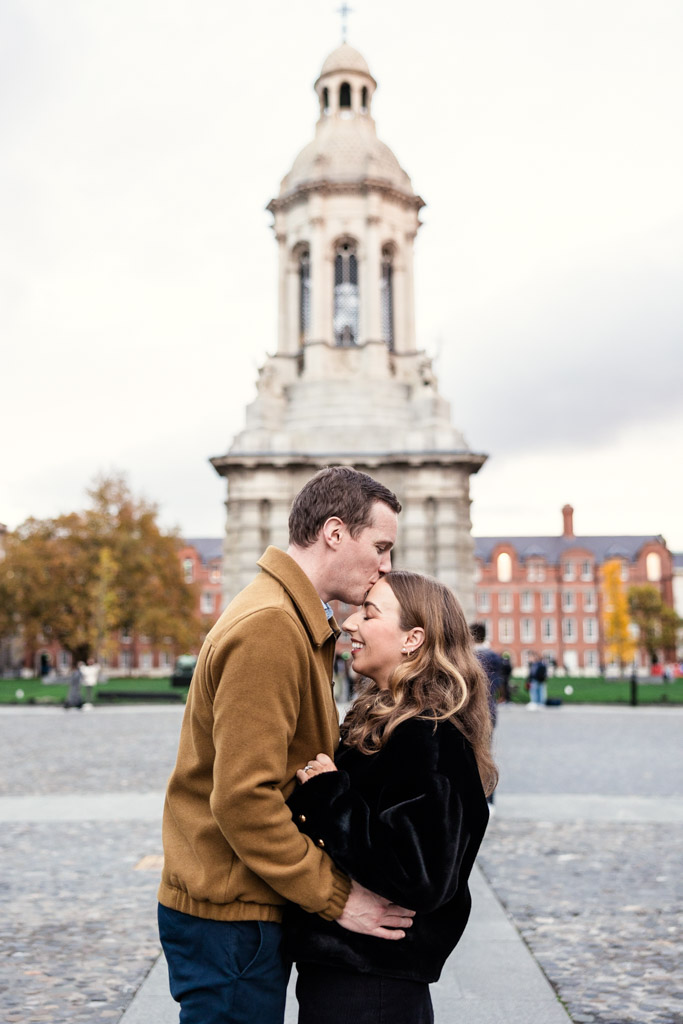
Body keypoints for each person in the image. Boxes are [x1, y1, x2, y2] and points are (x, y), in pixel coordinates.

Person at [157, 467, 414, 1024]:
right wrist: (336, 896)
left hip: (243, 902)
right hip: (232, 915)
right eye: (381, 546)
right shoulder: (272, 626)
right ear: (335, 532)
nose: (387, 566)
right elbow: (243, 799)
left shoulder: (292, 617)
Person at [286, 571, 497, 1024]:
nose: (349, 624)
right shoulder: (393, 724)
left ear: (412, 639)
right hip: (351, 973)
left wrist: (327, 795)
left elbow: (421, 873)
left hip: (372, 985)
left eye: (369, 612)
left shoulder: (429, 734)